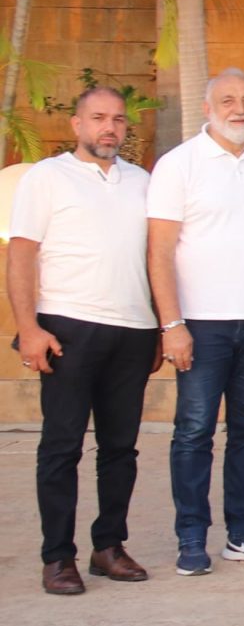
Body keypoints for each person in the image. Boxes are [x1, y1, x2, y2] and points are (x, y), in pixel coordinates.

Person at [11, 87, 157, 595]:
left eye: (118, 119)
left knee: (120, 449)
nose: (109, 128)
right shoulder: (47, 177)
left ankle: (108, 547)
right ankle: (58, 557)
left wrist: (160, 326)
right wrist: (29, 328)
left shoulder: (142, 182)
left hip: (133, 330)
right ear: (77, 125)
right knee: (61, 446)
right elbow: (21, 255)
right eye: (98, 118)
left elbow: (155, 257)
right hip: (68, 327)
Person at [145, 69, 244, 574]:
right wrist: (172, 325)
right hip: (200, 324)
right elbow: (159, 252)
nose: (239, 108)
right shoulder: (178, 165)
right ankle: (191, 537)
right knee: (193, 431)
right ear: (207, 108)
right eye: (227, 100)